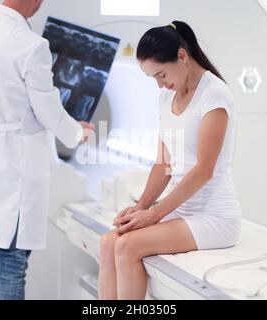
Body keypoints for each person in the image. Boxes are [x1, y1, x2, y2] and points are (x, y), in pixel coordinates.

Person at [0, 0, 94, 300]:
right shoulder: (31, 46)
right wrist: (78, 132)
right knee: (12, 262)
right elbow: (48, 111)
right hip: (13, 173)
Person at [98, 21, 242, 300]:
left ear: (182, 56)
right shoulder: (166, 98)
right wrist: (138, 210)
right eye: (153, 78)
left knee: (126, 247)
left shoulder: (215, 94)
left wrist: (154, 214)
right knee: (108, 243)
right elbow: (163, 164)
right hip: (179, 211)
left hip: (213, 216)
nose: (160, 83)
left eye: (161, 74)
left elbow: (203, 171)